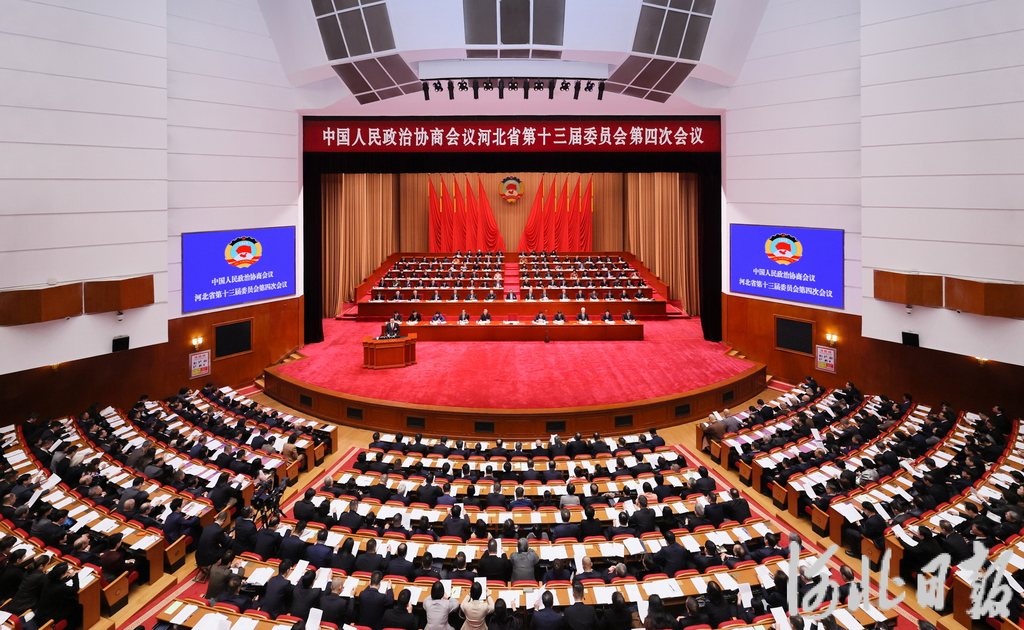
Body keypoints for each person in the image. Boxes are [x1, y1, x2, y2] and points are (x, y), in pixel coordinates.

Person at [35, 563, 82, 629]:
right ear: (62, 575)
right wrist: (74, 576)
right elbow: (75, 589)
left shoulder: (48, 578)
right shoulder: (60, 587)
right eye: (66, 572)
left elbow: (59, 580)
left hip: (41, 609)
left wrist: (68, 576)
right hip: (50, 615)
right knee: (77, 606)